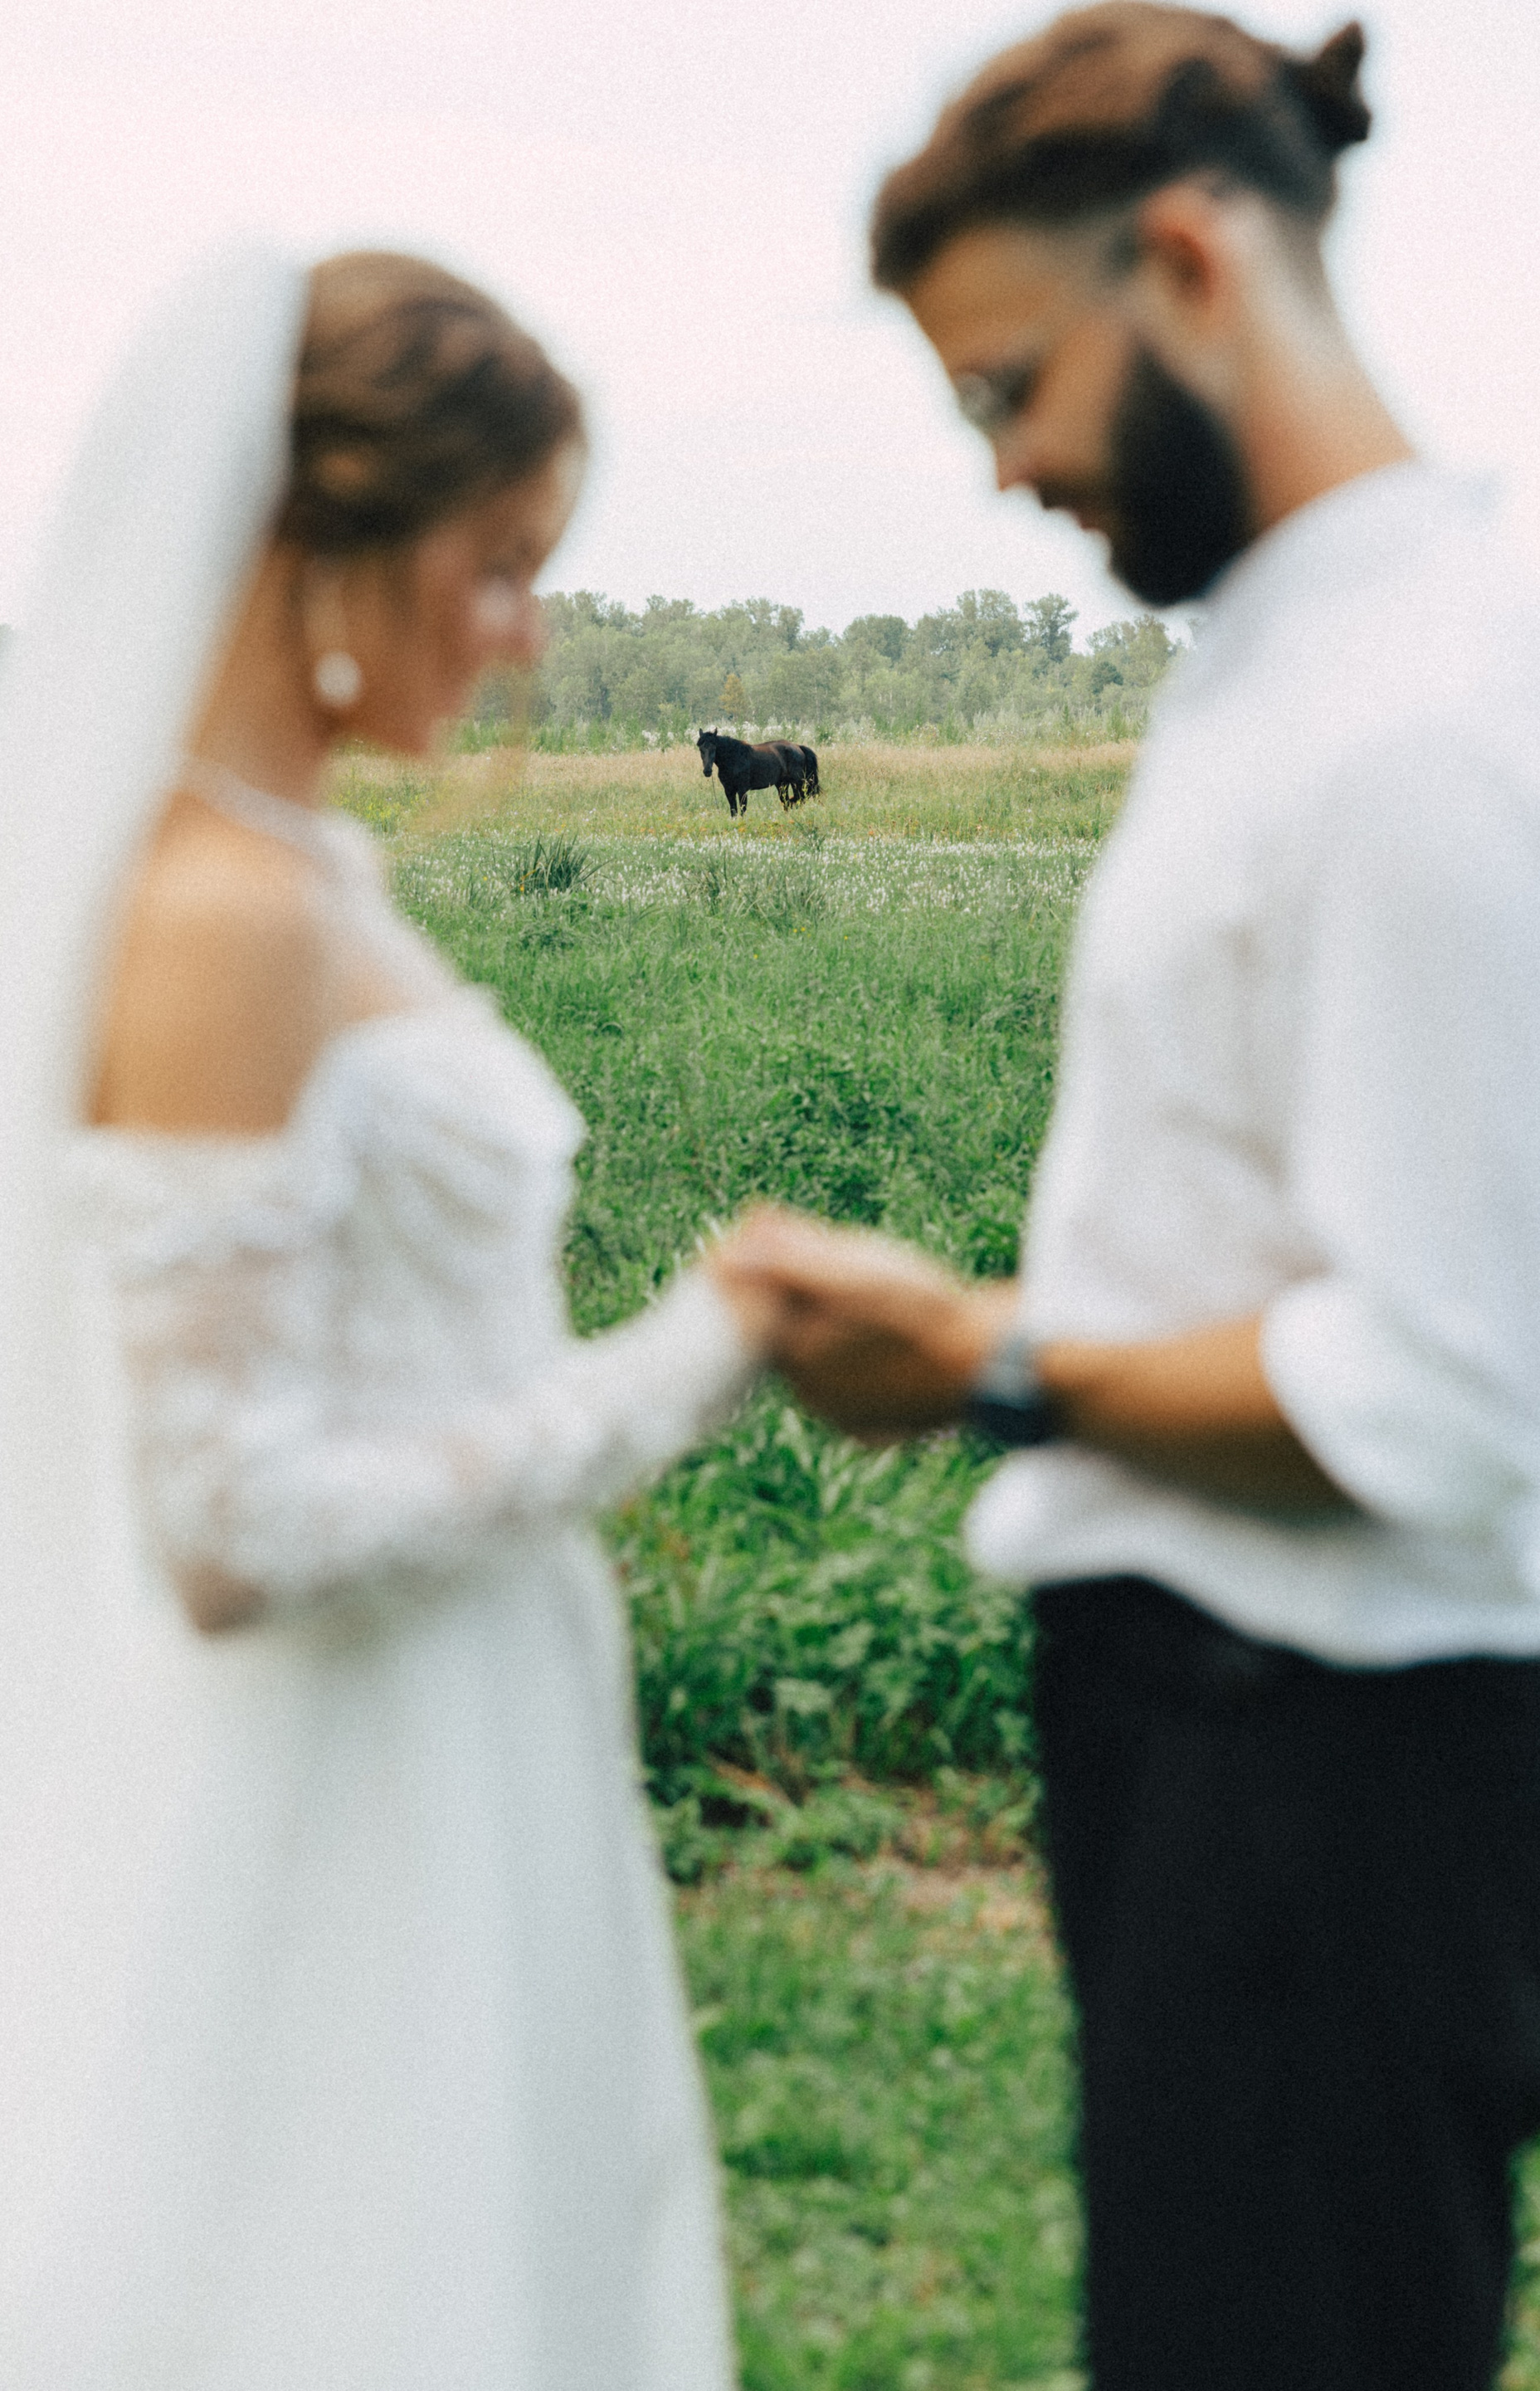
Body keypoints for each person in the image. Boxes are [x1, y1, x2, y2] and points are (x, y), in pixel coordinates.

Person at [714, 9, 1540, 2387]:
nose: (1002, 471)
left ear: (1188, 261)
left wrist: (987, 1361)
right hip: (1223, 1721)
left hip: (1324, 1754)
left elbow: (1443, 1389)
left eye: (1009, 387)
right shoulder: (1289, 658)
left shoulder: (1418, 722)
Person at [0, 248, 781, 2389]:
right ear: (319, 541)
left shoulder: (313, 866)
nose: (524, 635)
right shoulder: (222, 918)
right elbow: (227, 1523)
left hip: (473, 1700)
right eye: (495, 567)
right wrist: (694, 1354)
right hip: (343, 1756)